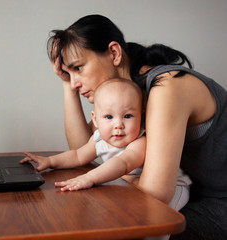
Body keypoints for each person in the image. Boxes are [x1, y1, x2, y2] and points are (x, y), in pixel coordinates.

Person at [44, 14, 227, 240]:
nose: (75, 83)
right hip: (196, 195)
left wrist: (114, 176)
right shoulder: (126, 94)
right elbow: (86, 147)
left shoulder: (166, 86)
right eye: (68, 74)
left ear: (114, 53)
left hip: (219, 203)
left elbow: (155, 192)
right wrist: (66, 84)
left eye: (78, 68)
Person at [22, 79, 191, 212]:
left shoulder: (140, 141)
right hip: (133, 187)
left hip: (175, 188)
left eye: (128, 116)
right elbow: (77, 155)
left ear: (141, 116)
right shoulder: (99, 139)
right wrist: (50, 162)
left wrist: (89, 177)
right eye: (109, 117)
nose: (118, 124)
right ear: (95, 119)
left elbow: (123, 163)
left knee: (158, 216)